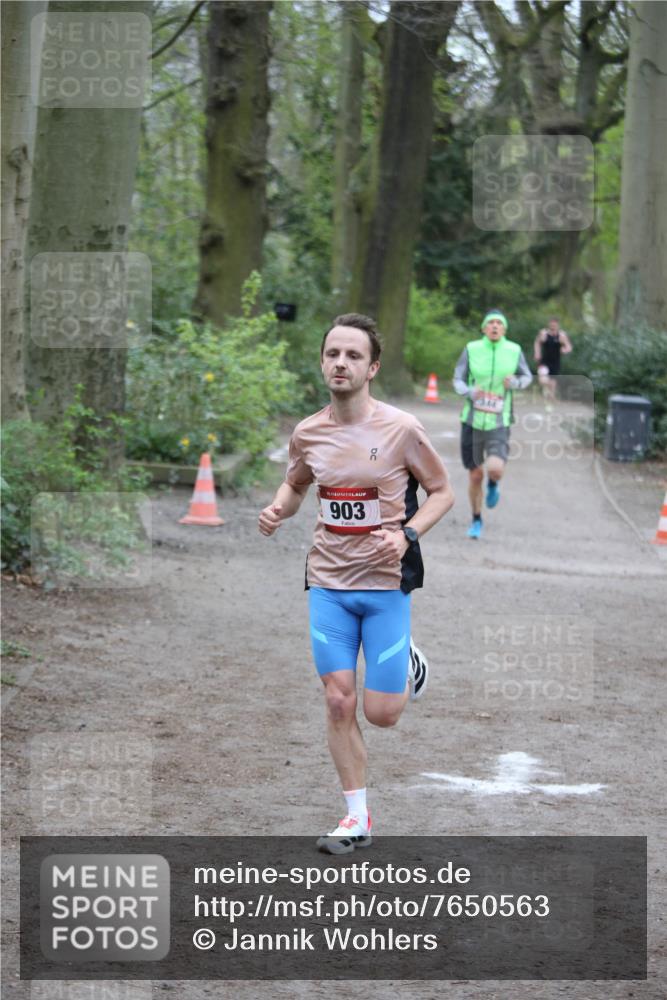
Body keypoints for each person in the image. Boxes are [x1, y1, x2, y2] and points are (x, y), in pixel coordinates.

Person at [258, 313, 454, 854]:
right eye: (332, 354)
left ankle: (409, 662)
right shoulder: (309, 431)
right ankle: (356, 817)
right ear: (322, 362)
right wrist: (280, 508)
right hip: (327, 581)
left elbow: (442, 492)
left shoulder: (401, 429)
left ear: (372, 368)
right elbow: (296, 483)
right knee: (338, 702)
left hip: (387, 583)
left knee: (382, 714)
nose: (340, 363)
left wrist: (408, 534)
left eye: (352, 356)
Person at [453, 310, 532, 540]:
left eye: (499, 323)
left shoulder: (514, 350)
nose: (495, 326)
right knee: (475, 475)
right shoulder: (472, 348)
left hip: (499, 420)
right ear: (484, 328)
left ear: (504, 329)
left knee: (495, 469)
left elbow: (527, 376)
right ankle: (477, 519)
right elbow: (457, 378)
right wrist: (469, 391)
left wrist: (515, 382)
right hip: (472, 420)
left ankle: (494, 485)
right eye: (491, 323)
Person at [534, 317, 572, 407]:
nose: (553, 326)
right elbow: (537, 343)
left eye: (554, 324)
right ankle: (549, 395)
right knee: (542, 380)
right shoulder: (543, 333)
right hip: (544, 361)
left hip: (555, 362)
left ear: (558, 325)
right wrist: (537, 353)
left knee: (553, 386)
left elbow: (569, 347)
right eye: (551, 324)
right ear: (549, 324)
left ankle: (551, 402)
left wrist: (564, 350)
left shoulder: (562, 335)